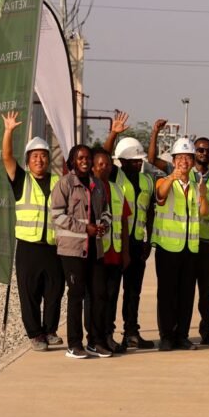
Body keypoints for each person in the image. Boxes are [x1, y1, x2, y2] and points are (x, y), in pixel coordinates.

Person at [149, 123, 209, 346]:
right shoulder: (164, 181)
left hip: (190, 248)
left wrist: (202, 195)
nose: (184, 162)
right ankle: (166, 336)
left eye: (188, 158)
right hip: (168, 248)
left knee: (186, 295)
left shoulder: (198, 184)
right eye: (180, 158)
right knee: (167, 295)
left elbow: (205, 212)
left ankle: (182, 335)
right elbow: (160, 195)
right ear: (173, 161)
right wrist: (172, 177)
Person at [0, 112, 64, 351]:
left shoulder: (59, 182)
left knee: (55, 290)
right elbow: (6, 156)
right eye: (35, 156)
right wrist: (9, 131)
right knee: (29, 293)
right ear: (28, 161)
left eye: (43, 156)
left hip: (53, 245)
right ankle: (35, 334)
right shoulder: (21, 179)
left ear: (49, 159)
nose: (39, 160)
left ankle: (50, 330)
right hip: (27, 246)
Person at [101, 112, 156, 350]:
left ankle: (131, 333)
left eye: (140, 160)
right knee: (112, 292)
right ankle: (108, 333)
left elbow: (150, 211)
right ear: (121, 161)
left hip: (137, 244)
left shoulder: (147, 181)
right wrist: (114, 133)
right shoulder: (115, 176)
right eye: (134, 160)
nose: (138, 163)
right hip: (116, 243)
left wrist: (148, 241)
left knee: (133, 292)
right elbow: (101, 158)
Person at [51, 144, 110, 359]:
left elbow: (106, 212)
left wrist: (104, 224)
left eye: (88, 158)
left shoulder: (98, 185)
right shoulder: (65, 183)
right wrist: (85, 228)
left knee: (98, 295)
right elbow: (57, 215)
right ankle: (74, 344)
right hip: (73, 250)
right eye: (80, 158)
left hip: (96, 248)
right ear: (73, 161)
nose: (85, 161)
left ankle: (96, 341)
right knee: (76, 295)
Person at [88, 147, 130, 354]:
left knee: (112, 297)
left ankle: (108, 335)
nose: (105, 167)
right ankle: (94, 338)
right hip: (97, 254)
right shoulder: (89, 187)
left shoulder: (117, 189)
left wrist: (125, 252)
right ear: (93, 167)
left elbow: (124, 222)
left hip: (115, 252)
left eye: (108, 164)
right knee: (97, 297)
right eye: (101, 164)